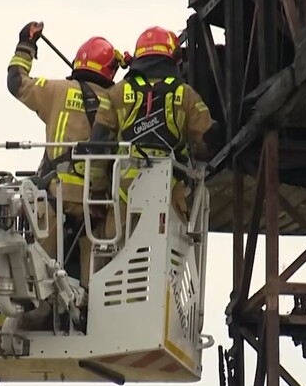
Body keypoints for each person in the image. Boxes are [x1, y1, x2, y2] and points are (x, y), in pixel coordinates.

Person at [7, 20, 126, 288]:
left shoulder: (55, 91)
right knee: (91, 296)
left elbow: (16, 82)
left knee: (38, 286)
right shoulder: (117, 101)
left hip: (52, 200)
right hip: (94, 208)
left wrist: (26, 44)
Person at [88, 25, 223, 240]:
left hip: (123, 193)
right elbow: (207, 138)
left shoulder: (116, 93)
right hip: (169, 192)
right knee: (169, 258)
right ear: (172, 57)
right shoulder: (185, 94)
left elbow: (97, 145)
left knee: (113, 254)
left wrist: (96, 190)